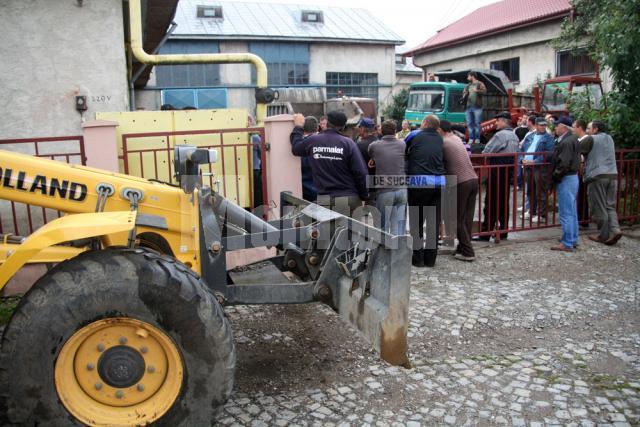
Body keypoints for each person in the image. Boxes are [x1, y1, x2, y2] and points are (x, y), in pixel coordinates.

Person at [290, 112, 368, 217]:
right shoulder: (348, 143)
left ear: (327, 123)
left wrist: (298, 127)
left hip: (325, 200)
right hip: (349, 198)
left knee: (328, 233)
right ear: (343, 126)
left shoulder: (313, 141)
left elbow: (296, 148)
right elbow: (360, 172)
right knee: (352, 233)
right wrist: (363, 195)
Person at [406, 115, 446, 267]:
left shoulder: (415, 134)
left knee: (416, 222)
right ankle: (431, 260)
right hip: (438, 183)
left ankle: (418, 259)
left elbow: (402, 147)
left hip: (418, 183)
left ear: (424, 123)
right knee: (433, 223)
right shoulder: (440, 138)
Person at [473, 112, 519, 241]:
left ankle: (486, 233)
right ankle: (503, 231)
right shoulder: (514, 135)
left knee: (491, 201)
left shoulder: (500, 135)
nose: (496, 123)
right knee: (504, 201)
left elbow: (486, 151)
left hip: (497, 171)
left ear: (504, 121)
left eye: (497, 121)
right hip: (507, 171)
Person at [439, 120, 479, 261]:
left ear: (440, 130)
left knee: (456, 219)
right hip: (473, 180)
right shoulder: (456, 138)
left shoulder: (443, 142)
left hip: (462, 183)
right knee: (466, 218)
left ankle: (468, 252)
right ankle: (462, 248)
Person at [581, 120, 622, 245]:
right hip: (613, 175)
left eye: (589, 128)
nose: (587, 131)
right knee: (610, 205)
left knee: (599, 206)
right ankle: (615, 230)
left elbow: (577, 149)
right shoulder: (610, 138)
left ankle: (603, 235)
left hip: (597, 176)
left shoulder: (591, 139)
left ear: (596, 129)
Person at [368, 120, 407, 235]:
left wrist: (374, 160)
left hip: (385, 190)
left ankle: (383, 252)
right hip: (402, 189)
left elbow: (372, 154)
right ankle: (397, 252)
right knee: (399, 227)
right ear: (395, 131)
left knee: (382, 228)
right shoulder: (402, 144)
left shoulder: (374, 146)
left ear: (381, 131)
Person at [550, 116, 581, 251]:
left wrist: (555, 177)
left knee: (566, 212)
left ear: (563, 127)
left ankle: (567, 242)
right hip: (572, 177)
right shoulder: (572, 139)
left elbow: (563, 164)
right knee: (572, 211)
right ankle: (572, 239)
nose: (555, 128)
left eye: (557, 125)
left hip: (566, 178)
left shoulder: (567, 141)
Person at [520, 117, 556, 223]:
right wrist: (522, 160)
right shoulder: (530, 136)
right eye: (541, 125)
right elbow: (522, 149)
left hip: (540, 167)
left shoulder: (549, 138)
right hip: (528, 166)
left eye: (544, 125)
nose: (543, 127)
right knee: (530, 190)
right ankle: (532, 211)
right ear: (536, 125)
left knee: (540, 191)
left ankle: (542, 215)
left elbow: (549, 153)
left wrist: (534, 161)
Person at [572, 119, 591, 226]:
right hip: (579, 171)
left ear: (579, 128)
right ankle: (581, 218)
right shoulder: (579, 140)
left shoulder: (586, 140)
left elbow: (582, 156)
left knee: (582, 196)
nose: (573, 129)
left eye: (574, 127)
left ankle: (583, 219)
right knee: (579, 196)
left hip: (582, 172)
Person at [463, 71, 487, 145]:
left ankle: (477, 139)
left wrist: (477, 91)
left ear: (472, 76)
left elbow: (485, 91)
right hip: (468, 107)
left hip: (477, 107)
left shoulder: (480, 83)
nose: (467, 78)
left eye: (468, 76)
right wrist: (465, 94)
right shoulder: (468, 85)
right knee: (469, 124)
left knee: (477, 123)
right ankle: (471, 139)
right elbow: (463, 93)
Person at [301, 116, 319, 201]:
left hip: (305, 191)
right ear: (317, 127)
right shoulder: (326, 142)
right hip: (324, 190)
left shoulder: (299, 144)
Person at [248, 115, 263, 207]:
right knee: (256, 190)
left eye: (248, 120)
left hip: (253, 168)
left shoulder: (255, 137)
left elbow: (261, 154)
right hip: (254, 169)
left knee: (254, 190)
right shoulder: (255, 137)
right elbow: (262, 154)